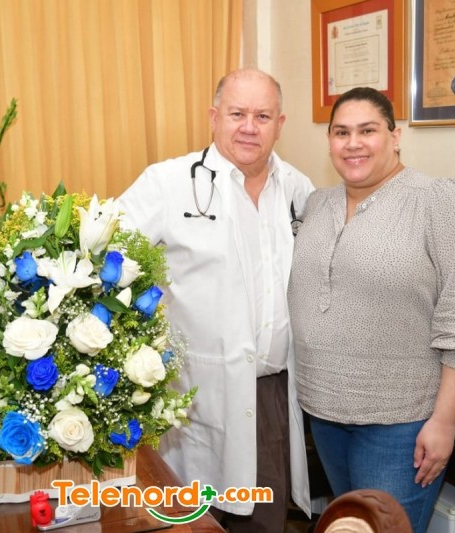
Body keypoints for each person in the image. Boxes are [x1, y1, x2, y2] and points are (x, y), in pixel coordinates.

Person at [288, 87, 455, 533]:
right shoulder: (317, 205)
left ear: (395, 136)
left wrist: (444, 421)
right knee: (346, 526)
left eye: (367, 130)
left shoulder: (438, 202)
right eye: (341, 132)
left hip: (400, 424)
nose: (353, 143)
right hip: (324, 413)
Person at [118, 68, 315, 532]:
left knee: (262, 521)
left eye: (262, 116)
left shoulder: (298, 189)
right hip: (192, 395)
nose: (249, 127)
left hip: (269, 396)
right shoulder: (167, 183)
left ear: (280, 124)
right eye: (237, 114)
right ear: (213, 117)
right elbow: (103, 255)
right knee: (189, 520)